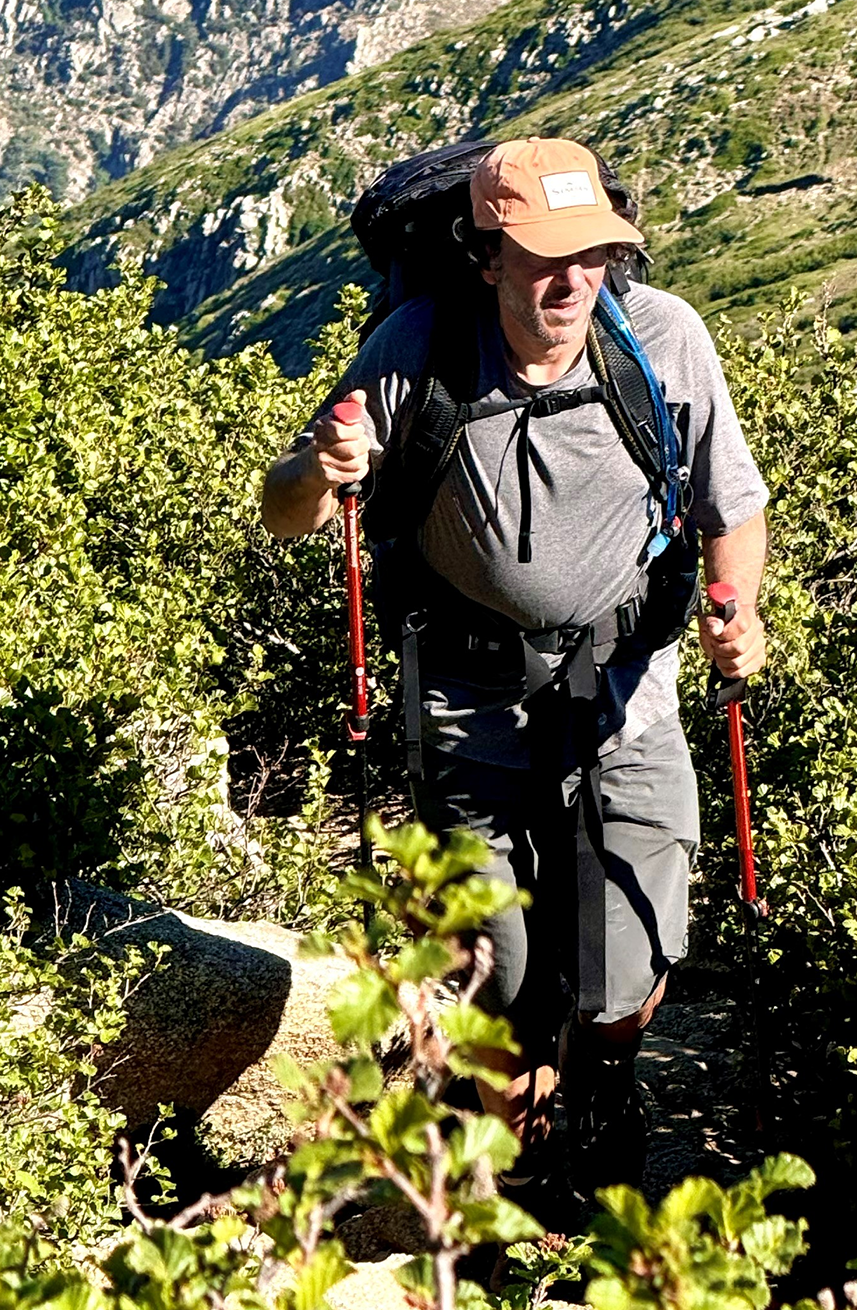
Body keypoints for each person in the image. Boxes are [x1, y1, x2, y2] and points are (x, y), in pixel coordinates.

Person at [261, 136, 767, 1207]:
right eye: (542, 257)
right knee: (503, 966)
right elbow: (287, 511)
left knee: (625, 960)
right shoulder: (418, 347)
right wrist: (320, 468)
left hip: (627, 693)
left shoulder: (662, 340)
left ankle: (608, 1078)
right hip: (466, 698)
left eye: (591, 255)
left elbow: (734, 503)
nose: (570, 279)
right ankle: (530, 1184)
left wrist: (740, 612)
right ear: (484, 255)